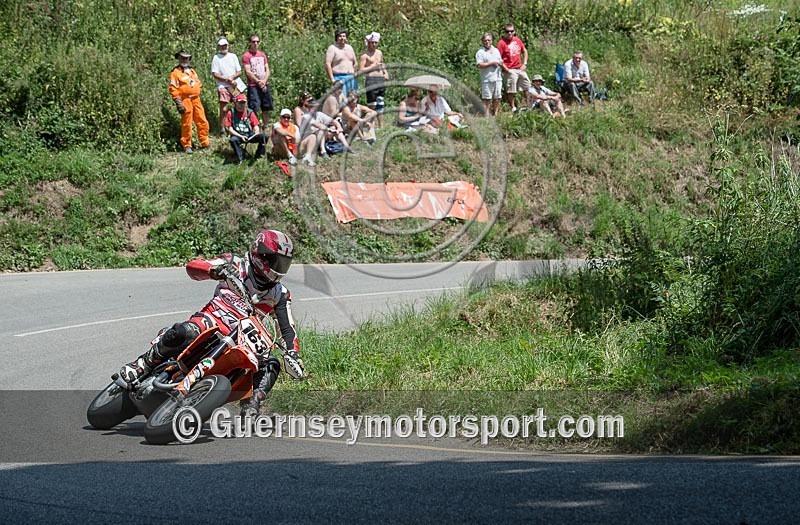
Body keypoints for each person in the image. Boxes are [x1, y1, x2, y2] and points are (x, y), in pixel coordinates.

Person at [119, 230, 305, 417]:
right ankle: (143, 363)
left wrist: (293, 354)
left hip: (243, 340)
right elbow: (194, 267)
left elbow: (287, 328)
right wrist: (215, 271)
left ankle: (251, 407)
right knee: (185, 331)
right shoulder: (235, 264)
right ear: (260, 255)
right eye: (275, 261)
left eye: (283, 263)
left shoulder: (280, 293)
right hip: (212, 321)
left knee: (270, 363)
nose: (278, 268)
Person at [169, 49, 210, 153]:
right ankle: (187, 145)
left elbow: (198, 83)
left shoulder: (192, 71)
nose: (184, 59)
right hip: (185, 100)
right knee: (186, 123)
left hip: (196, 99)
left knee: (202, 120)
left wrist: (197, 90)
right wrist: (178, 102)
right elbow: (173, 88)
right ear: (178, 58)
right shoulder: (175, 72)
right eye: (182, 57)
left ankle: (204, 142)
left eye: (186, 58)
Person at [211, 37, 244, 136]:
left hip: (234, 86)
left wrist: (232, 78)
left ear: (227, 46)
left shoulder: (233, 56)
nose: (223, 47)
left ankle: (236, 126)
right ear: (218, 47)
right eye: (221, 46)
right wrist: (226, 79)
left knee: (239, 105)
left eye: (225, 45)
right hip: (223, 86)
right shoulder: (216, 58)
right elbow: (215, 74)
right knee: (224, 109)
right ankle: (222, 128)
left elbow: (239, 71)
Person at [497, 23, 531, 113]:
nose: (509, 33)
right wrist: (506, 69)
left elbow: (524, 51)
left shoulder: (517, 40)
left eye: (511, 31)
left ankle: (528, 104)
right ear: (504, 32)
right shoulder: (501, 43)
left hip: (519, 68)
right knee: (511, 88)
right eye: (507, 31)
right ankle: (513, 107)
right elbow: (498, 58)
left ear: (514, 31)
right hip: (509, 69)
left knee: (526, 85)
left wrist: (525, 63)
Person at [225, 93, 268, 164]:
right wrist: (240, 136)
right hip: (238, 135)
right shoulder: (231, 113)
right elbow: (230, 129)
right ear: (235, 103)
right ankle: (240, 158)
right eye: (240, 103)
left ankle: (259, 156)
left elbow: (255, 125)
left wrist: (256, 131)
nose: (242, 105)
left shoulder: (249, 112)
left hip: (249, 134)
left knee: (265, 136)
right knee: (233, 140)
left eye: (244, 103)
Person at [242, 34, 274, 128]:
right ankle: (255, 125)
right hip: (253, 86)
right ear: (250, 43)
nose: (256, 43)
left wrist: (264, 81)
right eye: (253, 42)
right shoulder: (246, 56)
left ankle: (266, 125)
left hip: (265, 84)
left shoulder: (262, 55)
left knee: (266, 106)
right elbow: (248, 71)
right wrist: (258, 82)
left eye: (257, 42)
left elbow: (267, 69)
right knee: (254, 106)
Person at [359, 32, 388, 128]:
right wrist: (372, 67)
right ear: (368, 43)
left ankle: (381, 126)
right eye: (372, 42)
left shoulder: (379, 53)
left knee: (380, 103)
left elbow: (382, 63)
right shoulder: (365, 55)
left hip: (380, 79)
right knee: (372, 104)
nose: (374, 44)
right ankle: (371, 125)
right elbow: (361, 70)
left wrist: (385, 72)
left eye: (376, 42)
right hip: (371, 79)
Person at [475, 32, 503, 116]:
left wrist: (500, 63)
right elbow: (479, 65)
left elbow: (499, 60)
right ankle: (486, 115)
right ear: (482, 41)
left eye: (489, 40)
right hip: (487, 79)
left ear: (492, 40)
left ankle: (495, 113)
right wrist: (491, 63)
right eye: (485, 40)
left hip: (497, 78)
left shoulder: (496, 50)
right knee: (487, 98)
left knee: (497, 97)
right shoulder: (480, 52)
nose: (487, 42)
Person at [325, 29, 358, 96]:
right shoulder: (332, 48)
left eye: (344, 36)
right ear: (336, 37)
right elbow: (327, 63)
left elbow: (355, 62)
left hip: (351, 77)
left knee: (353, 100)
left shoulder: (350, 48)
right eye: (340, 36)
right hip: (339, 77)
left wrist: (355, 74)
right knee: (341, 101)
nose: (342, 38)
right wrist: (332, 79)